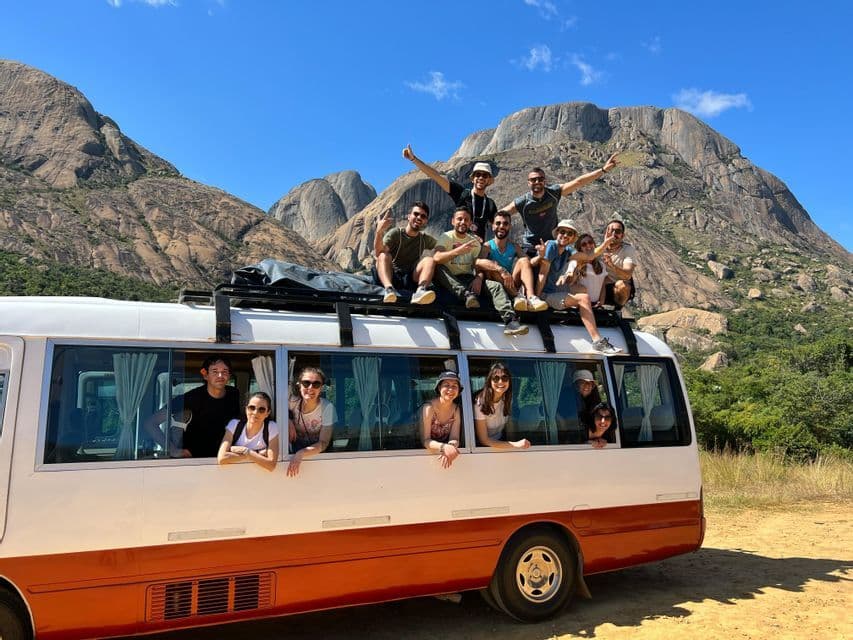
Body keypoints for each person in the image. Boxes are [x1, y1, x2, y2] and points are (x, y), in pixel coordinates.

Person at [433, 206, 529, 336]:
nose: (462, 222)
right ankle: (466, 295)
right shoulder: (446, 237)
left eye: (466, 220)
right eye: (459, 219)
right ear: (453, 221)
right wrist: (458, 251)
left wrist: (478, 277)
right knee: (438, 267)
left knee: (495, 286)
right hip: (450, 278)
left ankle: (510, 321)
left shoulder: (474, 243)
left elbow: (478, 264)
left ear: (470, 223)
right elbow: (437, 257)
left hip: (468, 278)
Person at [497, 154, 619, 256]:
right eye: (533, 180)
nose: (537, 182)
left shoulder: (554, 192)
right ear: (528, 183)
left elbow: (579, 182)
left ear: (544, 181)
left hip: (553, 243)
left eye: (540, 179)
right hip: (530, 246)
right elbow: (500, 214)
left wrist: (603, 170)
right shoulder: (522, 202)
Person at [536, 220, 622, 354]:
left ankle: (585, 315)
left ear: (572, 238)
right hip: (546, 294)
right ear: (557, 233)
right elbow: (543, 273)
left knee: (582, 290)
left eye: (569, 233)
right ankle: (597, 341)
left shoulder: (569, 251)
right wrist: (536, 298)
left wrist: (606, 242)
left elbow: (590, 255)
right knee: (583, 298)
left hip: (557, 289)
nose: (565, 235)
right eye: (562, 231)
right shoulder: (551, 246)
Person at [143, 355, 241, 458]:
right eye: (215, 371)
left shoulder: (234, 394)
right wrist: (173, 450)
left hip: (224, 458)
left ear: (229, 375)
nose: (220, 376)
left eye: (225, 371)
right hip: (193, 460)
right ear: (205, 375)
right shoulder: (189, 399)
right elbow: (150, 423)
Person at [403, 144, 497, 242]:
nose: (481, 178)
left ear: (488, 180)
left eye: (485, 175)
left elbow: (499, 223)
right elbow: (436, 176)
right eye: (478, 175)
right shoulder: (461, 193)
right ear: (473, 179)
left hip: (478, 248)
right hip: (457, 246)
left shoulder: (490, 204)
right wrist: (413, 159)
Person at [475, 211, 548, 312]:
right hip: (496, 285)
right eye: (498, 223)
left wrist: (540, 255)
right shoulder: (487, 246)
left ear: (509, 227)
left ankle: (531, 298)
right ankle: (517, 296)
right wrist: (501, 270)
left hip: (510, 283)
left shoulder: (514, 246)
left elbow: (530, 263)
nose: (501, 226)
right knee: (492, 268)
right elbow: (477, 263)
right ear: (493, 226)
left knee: (523, 260)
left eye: (505, 224)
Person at [374, 202, 437, 305]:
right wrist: (379, 232)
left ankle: (420, 291)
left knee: (429, 260)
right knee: (383, 255)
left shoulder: (425, 239)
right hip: (392, 276)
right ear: (409, 216)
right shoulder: (396, 234)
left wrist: (457, 246)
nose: (419, 217)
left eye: (423, 216)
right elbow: (378, 253)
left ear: (425, 221)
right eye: (416, 214)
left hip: (410, 279)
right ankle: (389, 290)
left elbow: (442, 247)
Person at [287, 367, 337, 477]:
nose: (310, 387)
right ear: (299, 385)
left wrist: (301, 453)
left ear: (321, 388)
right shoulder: (292, 402)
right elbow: (274, 410)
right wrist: (288, 420)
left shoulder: (327, 408)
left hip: (318, 456)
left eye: (316, 384)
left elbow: (323, 443)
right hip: (291, 453)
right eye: (306, 383)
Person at [474, 363, 530, 450]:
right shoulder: (480, 404)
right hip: (484, 448)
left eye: (504, 378)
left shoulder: (507, 399)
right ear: (489, 381)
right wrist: (515, 445)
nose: (500, 382)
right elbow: (484, 440)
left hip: (501, 441)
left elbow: (510, 424)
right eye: (496, 378)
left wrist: (513, 442)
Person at [217, 392, 279, 471]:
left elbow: (271, 465)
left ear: (267, 413)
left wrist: (246, 451)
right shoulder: (234, 425)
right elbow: (222, 458)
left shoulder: (271, 427)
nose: (255, 412)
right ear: (246, 409)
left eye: (261, 409)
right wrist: (256, 453)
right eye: (252, 408)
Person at [420, 371, 463, 469]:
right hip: (421, 457)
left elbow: (455, 438)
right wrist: (444, 447)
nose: (450, 389)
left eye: (454, 386)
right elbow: (425, 441)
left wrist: (450, 447)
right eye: (446, 385)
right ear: (439, 388)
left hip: (442, 457)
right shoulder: (428, 408)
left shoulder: (456, 409)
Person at [601, 214, 637, 308]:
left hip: (616, 288)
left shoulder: (627, 250)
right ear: (606, 233)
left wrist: (612, 265)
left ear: (622, 235)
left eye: (617, 231)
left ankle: (617, 309)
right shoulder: (599, 249)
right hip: (600, 286)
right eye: (611, 230)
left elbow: (627, 275)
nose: (613, 234)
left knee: (622, 285)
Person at [566, 233, 608, 306]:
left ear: (594, 244)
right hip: (580, 303)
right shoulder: (575, 263)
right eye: (584, 244)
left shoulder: (602, 265)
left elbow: (602, 285)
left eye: (590, 242)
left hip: (595, 304)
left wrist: (601, 301)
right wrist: (578, 268)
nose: (588, 245)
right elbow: (570, 284)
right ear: (580, 249)